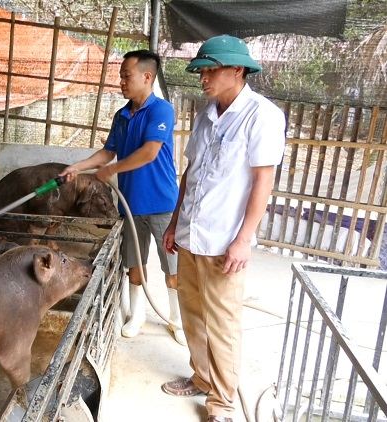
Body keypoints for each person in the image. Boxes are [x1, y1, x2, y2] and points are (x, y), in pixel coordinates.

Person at [161, 35, 286, 422]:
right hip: (191, 236)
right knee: (193, 316)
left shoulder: (262, 116)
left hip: (224, 243)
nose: (203, 78)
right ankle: (201, 377)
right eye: (202, 70)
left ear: (237, 70)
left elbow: (263, 181)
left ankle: (222, 404)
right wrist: (174, 222)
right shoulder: (206, 115)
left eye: (211, 70)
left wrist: (244, 240)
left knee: (223, 325)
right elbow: (190, 174)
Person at [60, 50, 185, 345]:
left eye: (126, 75)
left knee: (173, 267)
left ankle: (176, 320)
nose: (121, 82)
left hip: (163, 205)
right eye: (121, 76)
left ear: (147, 77)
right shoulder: (122, 115)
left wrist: (111, 170)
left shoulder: (161, 111)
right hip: (129, 204)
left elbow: (149, 151)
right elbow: (108, 151)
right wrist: (77, 167)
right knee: (134, 263)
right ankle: (137, 315)